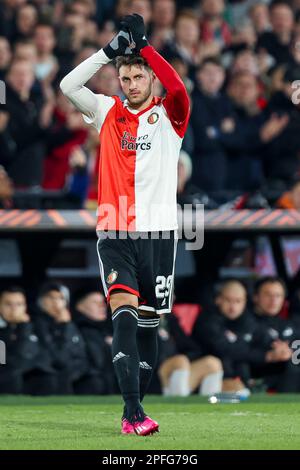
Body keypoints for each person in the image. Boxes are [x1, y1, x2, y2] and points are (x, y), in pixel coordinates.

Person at [60, 13, 190, 435]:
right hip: (115, 232)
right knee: (125, 316)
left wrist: (145, 45)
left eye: (138, 77)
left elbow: (179, 89)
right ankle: (133, 412)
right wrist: (109, 51)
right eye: (126, 77)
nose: (131, 85)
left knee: (152, 325)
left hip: (159, 236)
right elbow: (67, 86)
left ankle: (132, 411)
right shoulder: (106, 111)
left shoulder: (171, 119)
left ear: (150, 78)